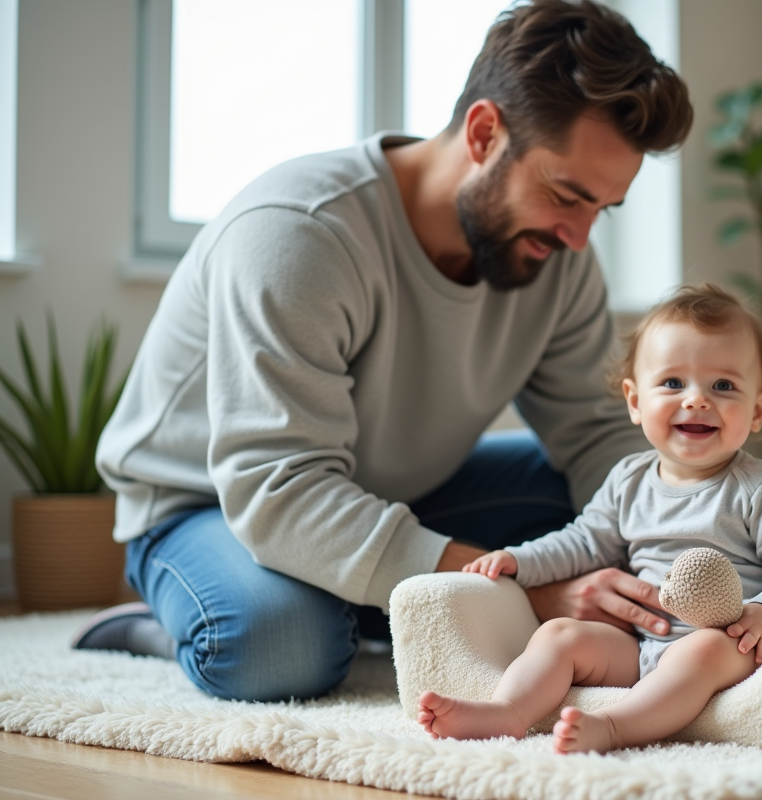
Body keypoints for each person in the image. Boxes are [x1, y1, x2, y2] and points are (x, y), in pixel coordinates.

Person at [73, 0, 693, 703]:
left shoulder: (559, 258)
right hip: (212, 503)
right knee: (283, 645)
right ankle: (174, 622)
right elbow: (281, 492)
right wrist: (531, 588)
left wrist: (684, 548)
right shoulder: (301, 233)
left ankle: (369, 596)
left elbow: (595, 431)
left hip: (401, 487)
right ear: (486, 132)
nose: (580, 238)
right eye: (565, 195)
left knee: (622, 493)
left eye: (601, 210)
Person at [417, 284, 762, 754]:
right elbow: (584, 542)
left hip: (725, 642)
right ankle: (507, 711)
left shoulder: (758, 487)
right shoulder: (628, 479)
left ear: (757, 409)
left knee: (702, 651)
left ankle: (613, 727)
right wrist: (518, 560)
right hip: (640, 641)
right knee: (559, 634)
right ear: (635, 401)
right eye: (673, 384)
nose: (696, 400)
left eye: (723, 386)